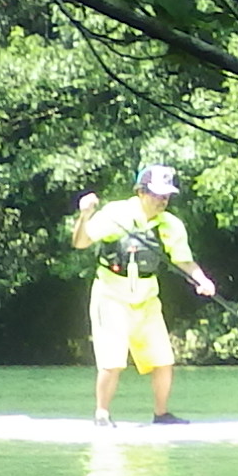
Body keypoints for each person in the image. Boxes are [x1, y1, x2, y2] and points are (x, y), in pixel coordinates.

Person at [69, 154, 219, 422]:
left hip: (147, 298)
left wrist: (202, 280)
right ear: (140, 192)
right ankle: (102, 415)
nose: (162, 200)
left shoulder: (171, 225)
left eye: (166, 196)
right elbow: (81, 242)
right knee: (113, 362)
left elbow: (183, 260)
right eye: (157, 194)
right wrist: (85, 215)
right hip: (111, 296)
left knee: (164, 361)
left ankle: (161, 415)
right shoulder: (116, 214)